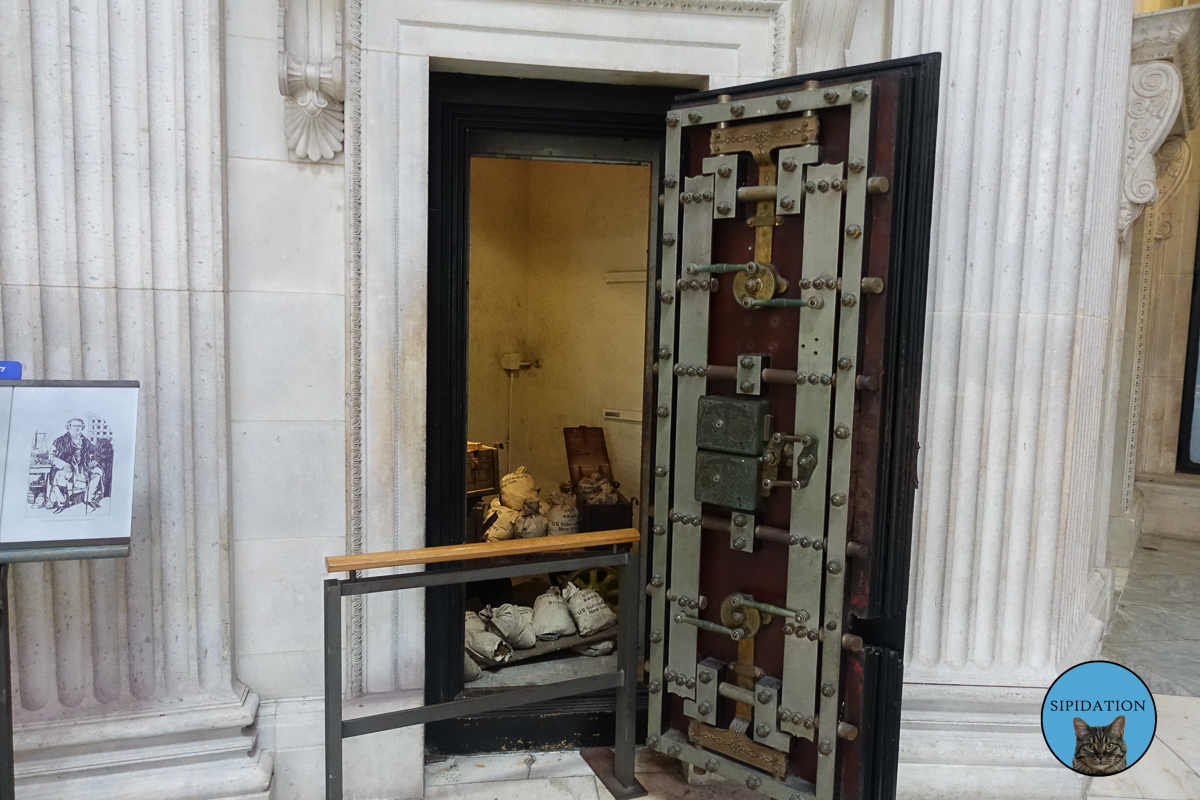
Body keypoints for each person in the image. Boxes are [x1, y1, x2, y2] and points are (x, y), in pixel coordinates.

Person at [46, 419, 105, 513]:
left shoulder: (86, 441)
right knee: (60, 476)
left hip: (82, 468)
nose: (77, 428)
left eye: (80, 426)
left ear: (82, 427)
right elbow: (51, 456)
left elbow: (95, 453)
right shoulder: (59, 440)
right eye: (75, 426)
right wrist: (62, 465)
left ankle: (88, 499)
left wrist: (94, 461)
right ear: (69, 427)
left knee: (98, 471)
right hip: (66, 467)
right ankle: (61, 503)